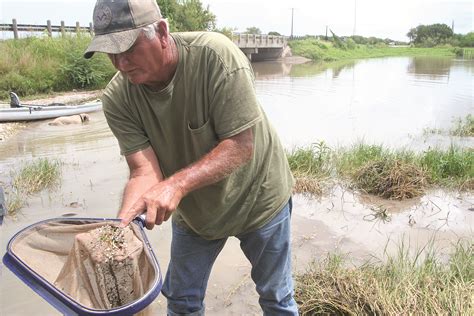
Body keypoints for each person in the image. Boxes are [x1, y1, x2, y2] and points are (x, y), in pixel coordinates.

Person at [84, 0, 298, 315]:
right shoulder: (117, 98)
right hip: (196, 212)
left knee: (276, 299)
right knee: (182, 301)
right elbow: (143, 171)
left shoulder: (216, 57)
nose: (121, 63)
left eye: (128, 48)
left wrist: (175, 186)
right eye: (111, 53)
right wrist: (122, 225)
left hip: (259, 198)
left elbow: (240, 145)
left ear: (161, 32)